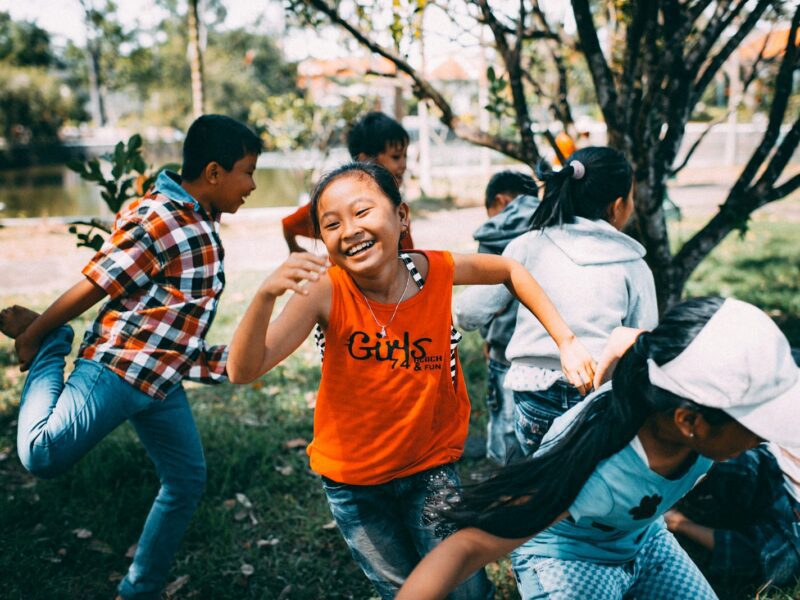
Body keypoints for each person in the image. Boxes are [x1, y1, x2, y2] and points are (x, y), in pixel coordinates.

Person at [226, 162, 595, 599]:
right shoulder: (326, 291)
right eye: (331, 224)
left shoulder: (435, 271)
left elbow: (510, 271)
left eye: (362, 212)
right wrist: (266, 296)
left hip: (429, 469)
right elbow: (243, 370)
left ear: (401, 217)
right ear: (322, 238)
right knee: (404, 590)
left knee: (465, 588)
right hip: (354, 485)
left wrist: (566, 340)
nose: (349, 230)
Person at [0, 114, 262, 600]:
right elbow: (99, 281)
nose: (252, 184)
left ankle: (138, 591)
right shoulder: (161, 215)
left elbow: (175, 320)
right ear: (213, 172)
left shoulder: (200, 221)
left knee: (185, 480)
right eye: (247, 171)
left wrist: (231, 360)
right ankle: (58, 345)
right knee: (41, 454)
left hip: (159, 382)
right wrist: (39, 335)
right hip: (119, 368)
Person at [397, 296, 800, 600]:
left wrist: (605, 373)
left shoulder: (663, 367)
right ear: (689, 421)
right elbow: (468, 546)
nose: (764, 437)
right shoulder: (592, 471)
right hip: (568, 557)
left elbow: (630, 339)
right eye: (754, 424)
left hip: (642, 537)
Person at [456, 147, 657, 457]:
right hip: (597, 396)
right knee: (580, 483)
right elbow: (643, 339)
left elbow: (469, 311)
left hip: (532, 396)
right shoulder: (633, 264)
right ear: (618, 206)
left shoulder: (527, 246)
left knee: (537, 480)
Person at [457, 170, 540, 465]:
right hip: (546, 352)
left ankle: (499, 477)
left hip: (504, 348)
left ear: (501, 201)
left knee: (504, 426)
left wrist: (487, 337)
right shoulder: (551, 225)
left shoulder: (495, 233)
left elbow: (481, 303)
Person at [664, 442, 800, 598]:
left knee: (776, 559)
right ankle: (669, 490)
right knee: (723, 457)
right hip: (780, 466)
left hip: (793, 521)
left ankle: (677, 522)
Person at [282, 111, 415, 253]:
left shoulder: (393, 199)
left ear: (401, 213)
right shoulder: (336, 200)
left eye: (405, 156)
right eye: (395, 157)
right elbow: (289, 224)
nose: (403, 164)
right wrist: (295, 249)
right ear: (366, 160)